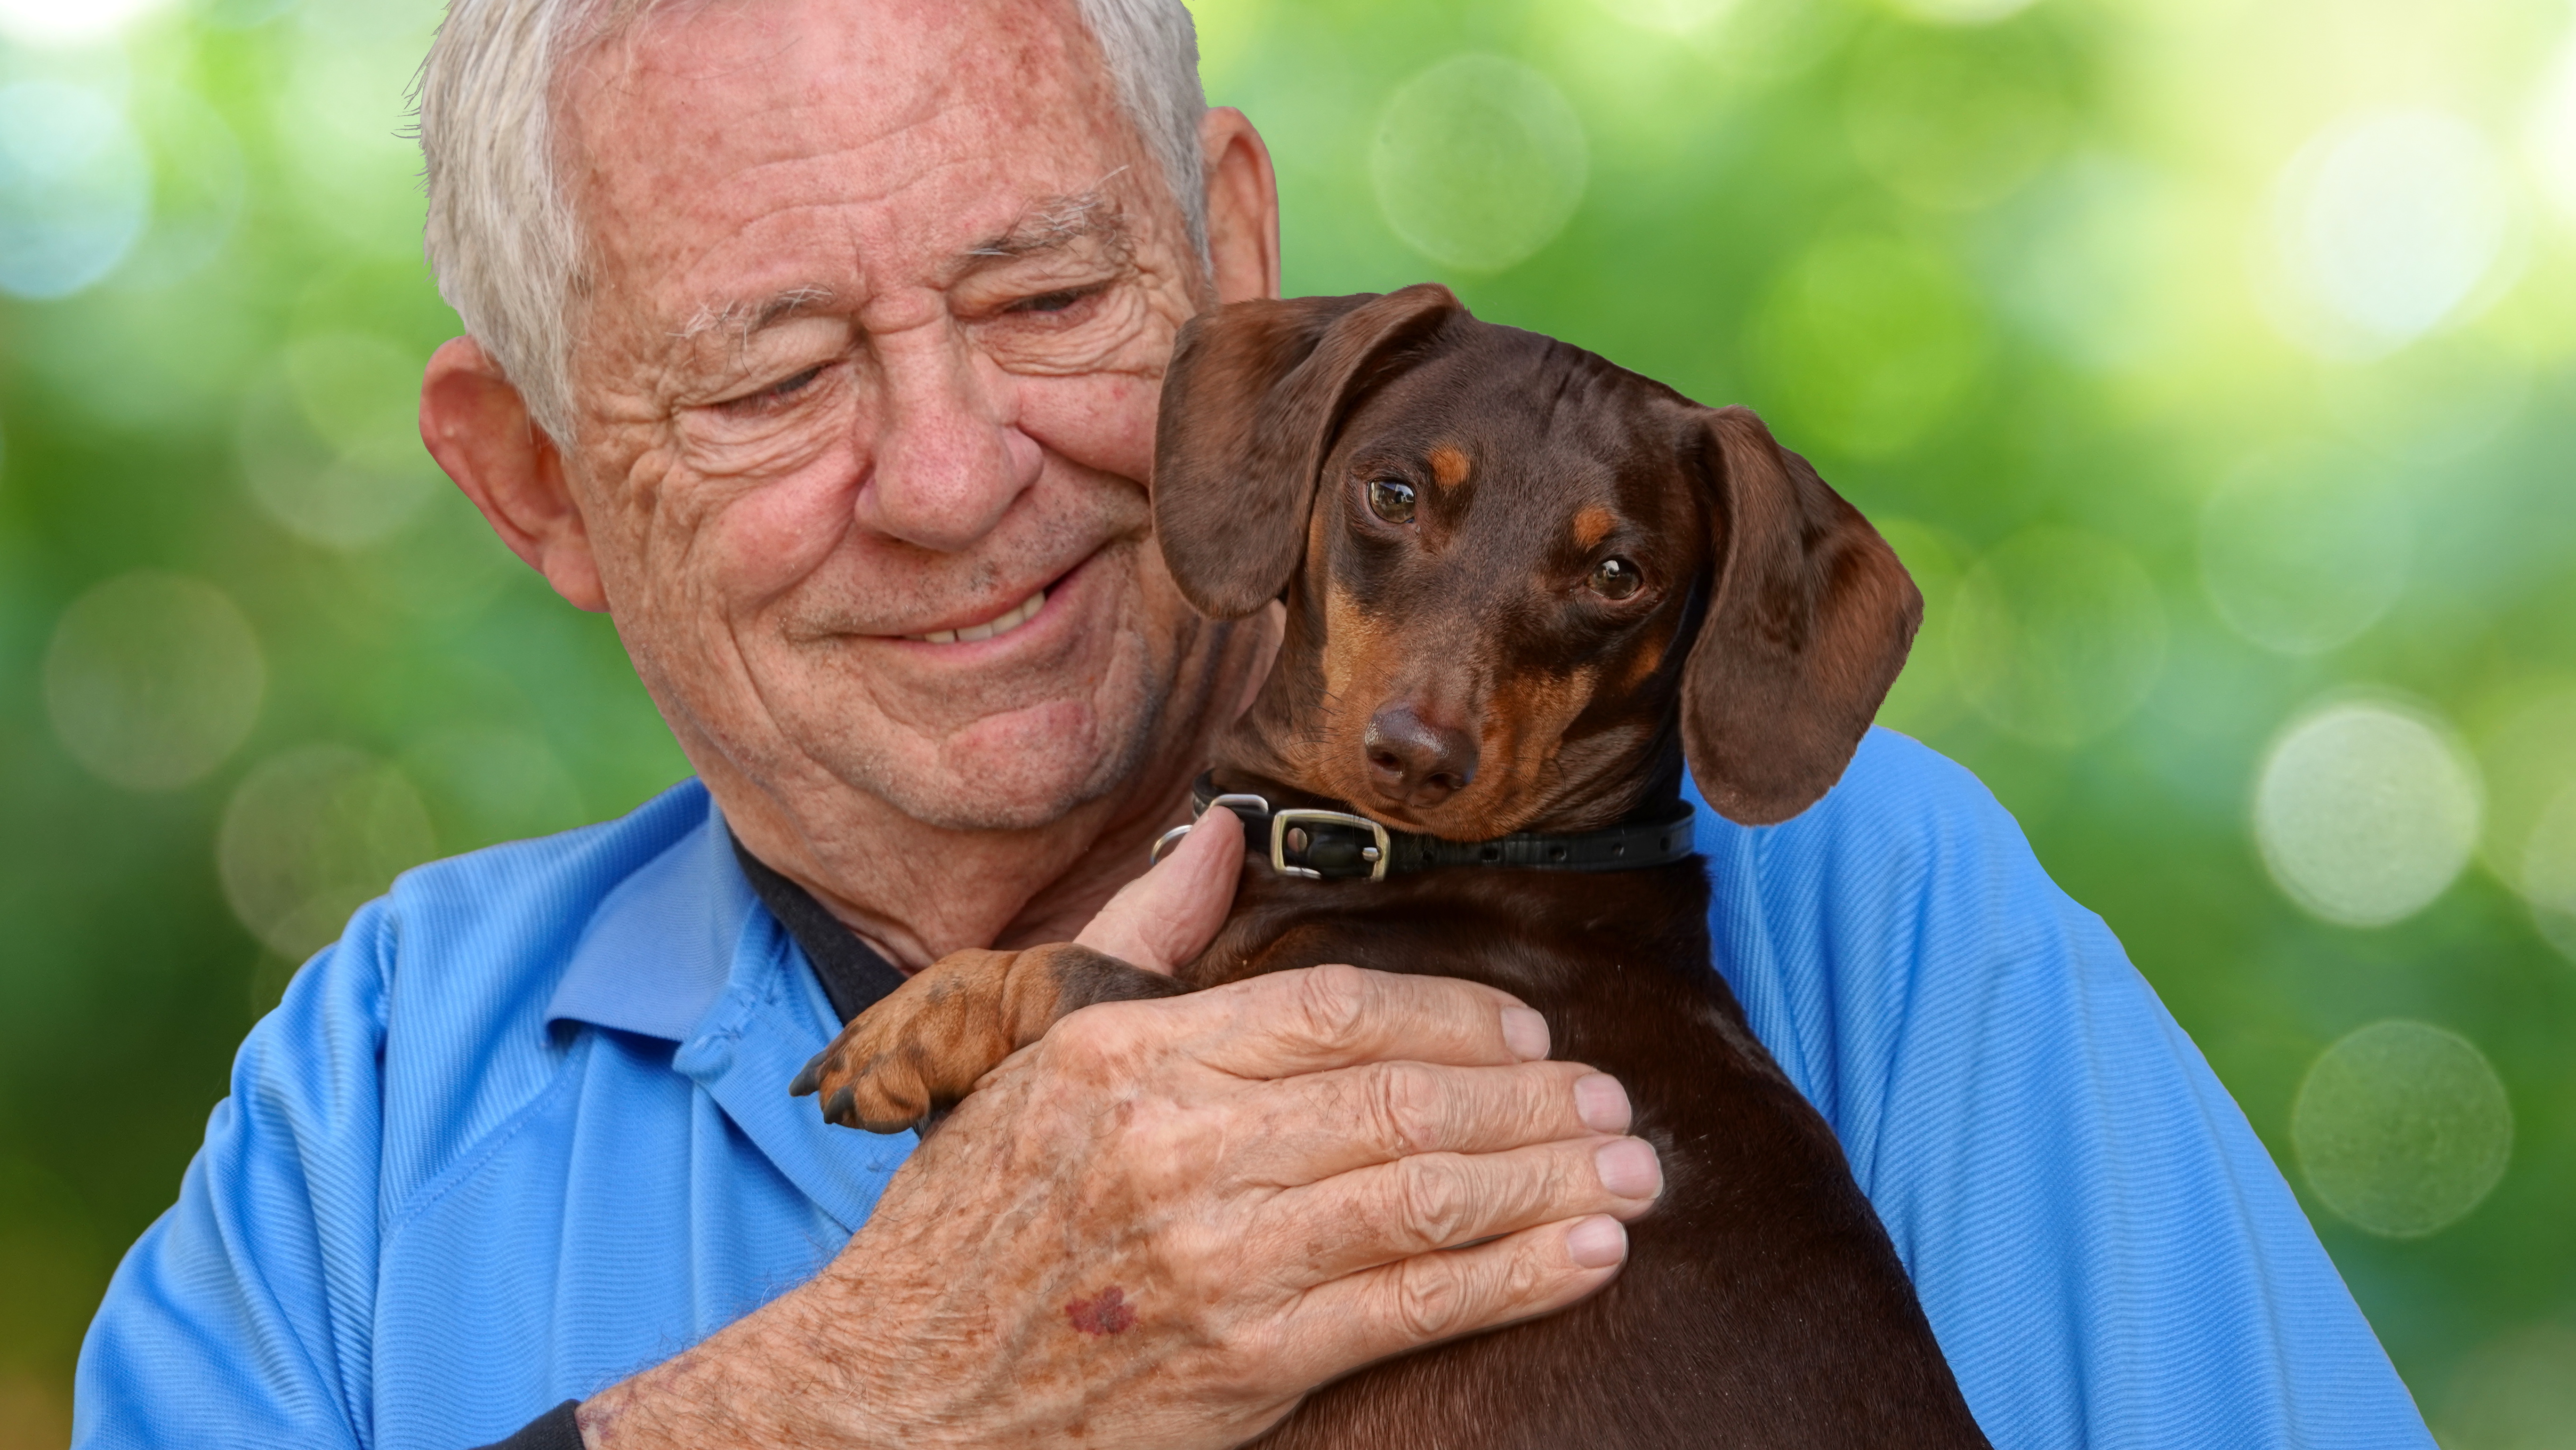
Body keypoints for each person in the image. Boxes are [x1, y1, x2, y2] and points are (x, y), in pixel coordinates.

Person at [72, 0, 2435, 1446]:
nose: (955, 472)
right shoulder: (378, 1102)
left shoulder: (1861, 918)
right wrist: (860, 1404)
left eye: (1048, 289)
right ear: (536, 484)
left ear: (1229, 261)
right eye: (777, 374)